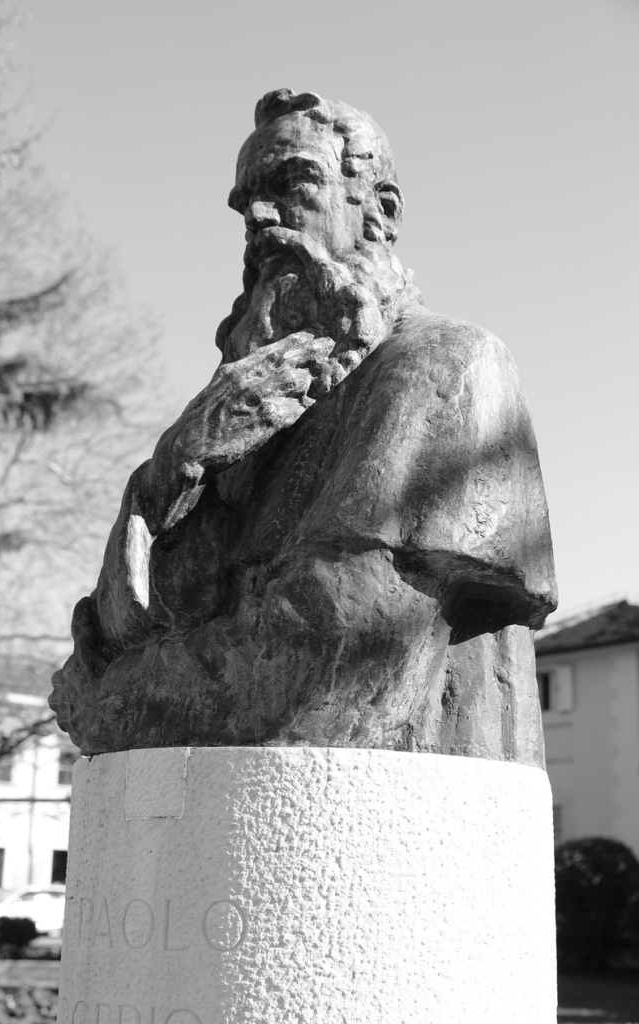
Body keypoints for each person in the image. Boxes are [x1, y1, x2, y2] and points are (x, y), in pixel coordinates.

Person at [50, 89, 557, 763]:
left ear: (378, 212)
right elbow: (120, 632)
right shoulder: (241, 409)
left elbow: (325, 666)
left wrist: (107, 697)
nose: (260, 218)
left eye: (292, 183)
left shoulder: (448, 366)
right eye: (245, 203)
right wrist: (175, 467)